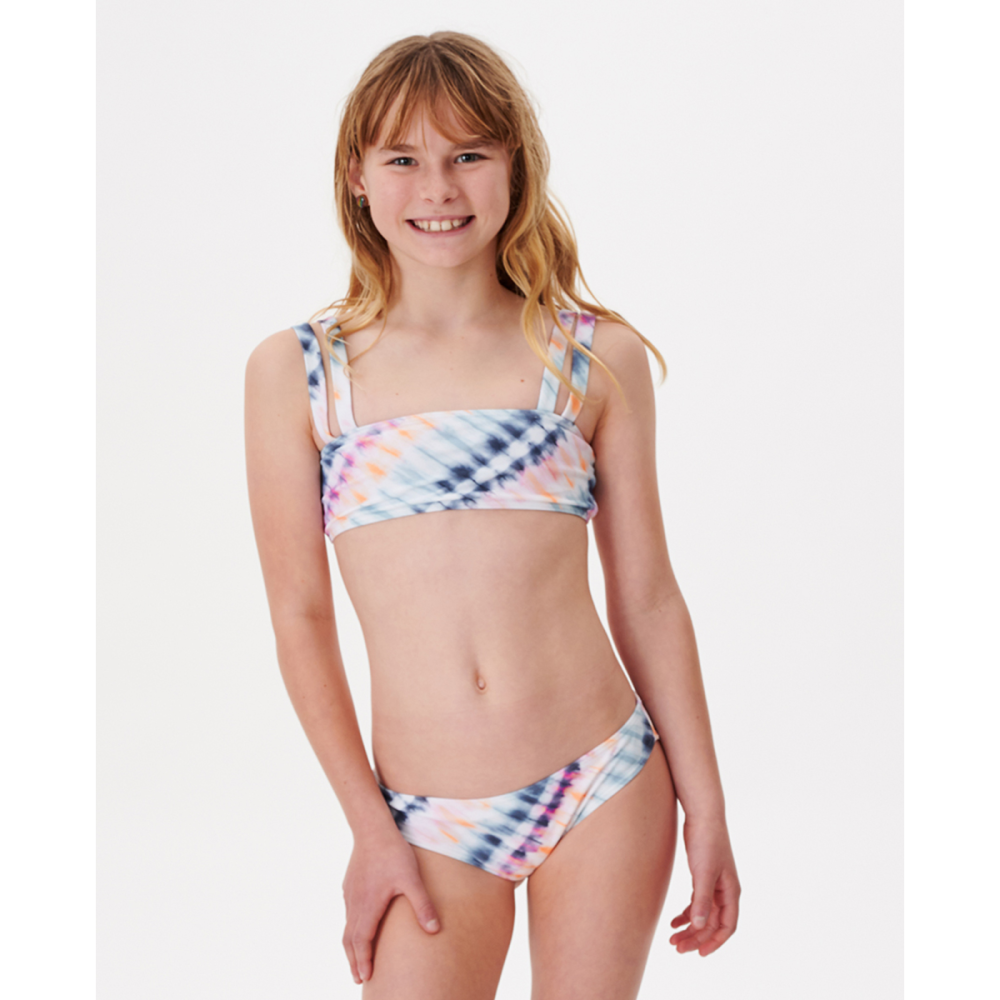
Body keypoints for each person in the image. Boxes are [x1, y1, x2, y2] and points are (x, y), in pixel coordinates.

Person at [245, 31, 740, 998]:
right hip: (423, 817)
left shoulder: (592, 358)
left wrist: (707, 808)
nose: (438, 188)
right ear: (356, 176)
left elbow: (647, 598)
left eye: (468, 153)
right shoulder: (299, 374)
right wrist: (369, 829)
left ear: (516, 164)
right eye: (403, 159)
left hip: (603, 781)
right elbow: (299, 619)